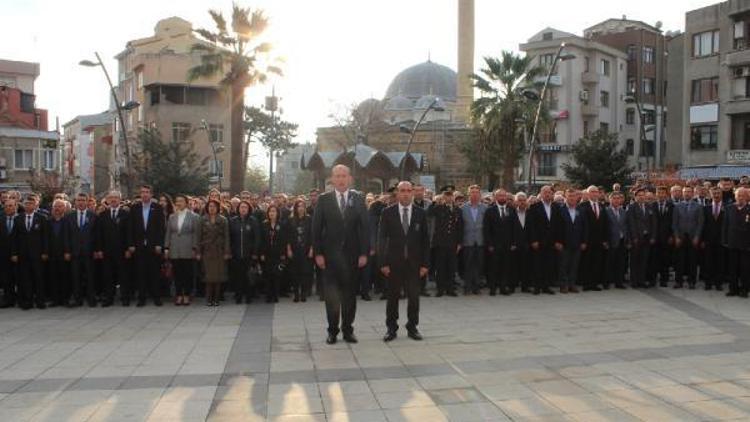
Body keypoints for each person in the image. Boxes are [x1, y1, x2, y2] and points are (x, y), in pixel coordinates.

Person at [311, 164, 369, 345]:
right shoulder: (324, 199)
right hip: (330, 258)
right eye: (337, 176)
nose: (341, 179)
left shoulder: (358, 199)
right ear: (332, 179)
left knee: (350, 296)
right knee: (332, 296)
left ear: (350, 178)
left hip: (352, 257)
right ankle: (332, 331)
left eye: (344, 176)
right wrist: (318, 253)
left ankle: (348, 330)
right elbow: (316, 228)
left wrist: (364, 253)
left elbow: (365, 228)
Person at [378, 181, 430, 342]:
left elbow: (425, 241)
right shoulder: (387, 213)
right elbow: (381, 239)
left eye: (409, 190)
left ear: (413, 193)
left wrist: (425, 264)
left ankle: (412, 327)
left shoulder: (421, 213)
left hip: (414, 264)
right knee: (392, 297)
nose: (406, 193)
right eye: (402, 191)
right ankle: (391, 328)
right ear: (397, 193)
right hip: (394, 263)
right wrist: (383, 263)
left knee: (414, 298)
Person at [129, 185, 166, 307]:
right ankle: (142, 298)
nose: (144, 194)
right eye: (142, 192)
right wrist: (131, 244)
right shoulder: (134, 208)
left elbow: (161, 228)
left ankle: (156, 297)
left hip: (153, 246)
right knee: (140, 273)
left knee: (154, 272)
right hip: (139, 246)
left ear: (151, 194)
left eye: (147, 192)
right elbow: (131, 228)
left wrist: (159, 244)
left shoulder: (157, 208)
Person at [12, 193, 49, 310]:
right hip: (23, 254)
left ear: (35, 205)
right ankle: (28, 301)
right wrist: (14, 253)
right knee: (26, 278)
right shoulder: (18, 219)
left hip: (38, 254)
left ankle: (40, 301)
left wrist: (45, 252)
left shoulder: (42, 218)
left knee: (39, 278)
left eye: (31, 203)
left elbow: (45, 237)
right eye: (26, 203)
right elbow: (14, 238)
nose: (28, 205)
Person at [95, 191, 131, 306]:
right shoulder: (102, 215)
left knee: (124, 275)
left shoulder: (125, 214)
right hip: (107, 251)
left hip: (122, 250)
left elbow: (129, 233)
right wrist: (99, 249)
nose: (113, 200)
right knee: (108, 275)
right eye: (111, 198)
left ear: (120, 200)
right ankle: (109, 298)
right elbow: (99, 234)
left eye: (116, 198)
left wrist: (128, 249)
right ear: (108, 200)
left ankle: (125, 298)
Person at [164, 194, 201, 306]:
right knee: (177, 273)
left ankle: (187, 295)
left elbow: (196, 234)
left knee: (188, 273)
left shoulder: (194, 217)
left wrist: (195, 248)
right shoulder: (172, 217)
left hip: (188, 247)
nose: (178, 203)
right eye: (177, 201)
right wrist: (166, 247)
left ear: (186, 203)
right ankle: (179, 295)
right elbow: (168, 233)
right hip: (175, 248)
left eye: (181, 201)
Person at [528, 186, 563, 295]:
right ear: (541, 194)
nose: (547, 194)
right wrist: (533, 240)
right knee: (537, 265)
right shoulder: (534, 207)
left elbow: (559, 226)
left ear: (552, 194)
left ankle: (546, 286)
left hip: (552, 242)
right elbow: (531, 226)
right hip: (538, 242)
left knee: (549, 265)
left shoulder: (556, 207)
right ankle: (537, 287)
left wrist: (558, 241)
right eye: (545, 192)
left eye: (549, 192)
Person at [429, 186, 463, 297]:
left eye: (450, 195)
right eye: (446, 195)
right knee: (440, 267)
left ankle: (450, 289)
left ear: (453, 197)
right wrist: (435, 202)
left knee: (451, 267)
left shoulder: (458, 210)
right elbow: (429, 213)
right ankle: (440, 289)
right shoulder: (438, 208)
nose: (449, 198)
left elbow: (460, 228)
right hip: (440, 243)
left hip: (452, 243)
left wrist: (459, 243)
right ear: (443, 197)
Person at [66, 193, 97, 307]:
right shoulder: (69, 216)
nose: (81, 202)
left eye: (83, 200)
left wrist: (96, 250)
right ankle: (77, 299)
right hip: (75, 252)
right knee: (76, 277)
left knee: (90, 276)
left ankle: (91, 299)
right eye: (78, 200)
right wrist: (68, 251)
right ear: (75, 202)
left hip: (89, 252)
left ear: (87, 202)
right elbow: (67, 236)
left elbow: (96, 235)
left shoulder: (93, 216)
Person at [483, 189, 516, 295]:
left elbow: (514, 228)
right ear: (496, 197)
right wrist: (489, 244)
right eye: (500, 196)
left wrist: (513, 243)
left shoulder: (511, 210)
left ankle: (503, 287)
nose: (502, 198)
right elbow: (486, 229)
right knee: (493, 267)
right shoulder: (490, 210)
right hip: (494, 245)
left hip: (507, 244)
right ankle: (492, 288)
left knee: (505, 267)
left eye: (504, 196)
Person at [198, 200, 230, 306]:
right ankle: (208, 299)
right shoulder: (202, 219)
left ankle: (216, 299)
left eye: (214, 206)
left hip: (219, 251)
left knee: (218, 276)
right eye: (210, 206)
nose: (212, 208)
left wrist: (227, 251)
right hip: (207, 250)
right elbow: (199, 236)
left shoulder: (223, 220)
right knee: (208, 276)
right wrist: (198, 251)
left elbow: (226, 237)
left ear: (218, 208)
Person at [672, 186, 704, 289]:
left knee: (692, 261)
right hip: (681, 237)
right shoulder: (677, 206)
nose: (687, 194)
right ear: (682, 193)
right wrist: (676, 236)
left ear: (693, 193)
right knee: (679, 261)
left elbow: (700, 223)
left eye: (689, 192)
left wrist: (697, 237)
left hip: (693, 237)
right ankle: (678, 281)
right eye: (685, 192)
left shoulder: (698, 206)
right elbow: (674, 223)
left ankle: (692, 282)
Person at [229, 200, 260, 304]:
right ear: (238, 209)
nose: (243, 209)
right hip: (236, 254)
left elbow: (257, 238)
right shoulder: (233, 221)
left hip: (249, 254)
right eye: (241, 207)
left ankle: (248, 296)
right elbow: (230, 238)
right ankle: (238, 296)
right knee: (238, 276)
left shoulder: (253, 221)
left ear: (249, 209)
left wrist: (255, 253)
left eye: (245, 207)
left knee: (249, 276)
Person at [578, 186, 608, 291]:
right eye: (593, 192)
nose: (595, 194)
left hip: (599, 240)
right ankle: (586, 284)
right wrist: (582, 241)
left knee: (597, 262)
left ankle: (594, 283)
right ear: (588, 193)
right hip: (587, 240)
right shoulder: (582, 206)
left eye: (597, 192)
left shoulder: (602, 206)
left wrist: (605, 240)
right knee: (587, 262)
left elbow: (605, 224)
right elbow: (580, 225)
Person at [722, 187, 750, 298]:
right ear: (735, 196)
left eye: (742, 195)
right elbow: (725, 225)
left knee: (745, 268)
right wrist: (724, 240)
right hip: (732, 243)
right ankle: (733, 289)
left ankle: (744, 289)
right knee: (732, 268)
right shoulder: (729, 208)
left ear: (747, 197)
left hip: (746, 244)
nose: (740, 198)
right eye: (738, 195)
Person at [626, 188, 657, 288]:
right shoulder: (631, 207)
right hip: (636, 237)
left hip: (647, 237)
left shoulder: (649, 206)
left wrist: (653, 236)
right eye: (639, 195)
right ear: (635, 197)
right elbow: (630, 223)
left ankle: (641, 280)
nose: (641, 197)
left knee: (644, 260)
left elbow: (653, 223)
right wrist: (634, 236)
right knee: (634, 260)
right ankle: (634, 281)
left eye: (643, 195)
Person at [558, 189, 587, 294]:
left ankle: (572, 284)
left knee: (574, 265)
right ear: (565, 197)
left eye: (574, 196)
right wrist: (558, 241)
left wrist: (584, 241)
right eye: (569, 196)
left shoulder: (581, 210)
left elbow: (584, 227)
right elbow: (556, 228)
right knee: (563, 265)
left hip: (577, 243)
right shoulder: (560, 210)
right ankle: (563, 285)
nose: (572, 198)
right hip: (564, 243)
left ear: (577, 197)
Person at [460, 185, 487, 295]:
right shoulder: (463, 208)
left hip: (480, 241)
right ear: (469, 194)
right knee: (467, 264)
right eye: (472, 192)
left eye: (476, 192)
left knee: (478, 264)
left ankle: (476, 287)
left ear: (480, 194)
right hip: (467, 241)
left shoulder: (485, 208)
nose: (474, 194)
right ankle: (467, 287)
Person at [287, 199, 314, 302]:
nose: (301, 208)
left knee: (305, 272)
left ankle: (303, 293)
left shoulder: (309, 219)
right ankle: (296, 294)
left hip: (306, 249)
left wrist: (312, 249)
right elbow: (288, 236)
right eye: (298, 206)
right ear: (295, 208)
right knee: (295, 272)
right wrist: (289, 249)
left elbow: (312, 235)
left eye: (302, 206)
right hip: (294, 249)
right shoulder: (291, 219)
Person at [260, 205, 286, 303]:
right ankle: (268, 295)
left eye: (274, 211)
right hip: (267, 253)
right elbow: (261, 240)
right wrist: (261, 253)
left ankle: (275, 295)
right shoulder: (264, 224)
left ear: (277, 213)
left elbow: (284, 240)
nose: (272, 213)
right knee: (267, 275)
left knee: (276, 274)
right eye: (270, 211)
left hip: (278, 253)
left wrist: (283, 253)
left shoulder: (281, 224)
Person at [47, 199, 71, 307]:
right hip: (51, 254)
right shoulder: (47, 221)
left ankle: (65, 299)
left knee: (65, 277)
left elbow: (71, 238)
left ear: (65, 209)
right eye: (55, 206)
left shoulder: (69, 221)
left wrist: (68, 251)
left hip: (64, 254)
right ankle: (55, 300)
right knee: (53, 277)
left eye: (60, 206)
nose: (57, 209)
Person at [702, 187, 726, 291]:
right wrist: (702, 239)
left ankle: (718, 283)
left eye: (718, 193)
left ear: (721, 194)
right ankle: (708, 283)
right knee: (708, 262)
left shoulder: (727, 208)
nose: (716, 195)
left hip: (722, 240)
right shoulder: (705, 208)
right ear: (710, 195)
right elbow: (703, 225)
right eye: (714, 193)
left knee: (720, 262)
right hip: (708, 240)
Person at [651, 186, 675, 287]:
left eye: (663, 193)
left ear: (666, 194)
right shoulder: (652, 205)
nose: (661, 195)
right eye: (659, 192)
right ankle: (653, 279)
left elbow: (674, 222)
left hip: (666, 237)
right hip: (654, 237)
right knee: (654, 259)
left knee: (665, 259)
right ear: (656, 194)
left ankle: (664, 280)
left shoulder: (671, 206)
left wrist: (671, 235)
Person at [605, 191, 628, 289]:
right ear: (609, 200)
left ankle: (619, 282)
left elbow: (626, 226)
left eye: (618, 198)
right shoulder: (606, 211)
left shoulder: (623, 211)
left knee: (620, 262)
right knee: (609, 263)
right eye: (614, 198)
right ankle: (607, 282)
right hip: (611, 240)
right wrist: (605, 241)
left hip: (622, 240)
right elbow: (604, 227)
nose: (617, 200)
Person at [511, 192, 533, 293]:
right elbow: (508, 230)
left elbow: (534, 229)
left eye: (524, 200)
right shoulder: (511, 213)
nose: (522, 202)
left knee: (526, 266)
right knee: (513, 266)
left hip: (527, 245)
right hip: (514, 245)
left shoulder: (531, 214)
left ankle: (525, 286)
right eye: (520, 200)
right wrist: (512, 243)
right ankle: (512, 285)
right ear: (516, 202)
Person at [0, 199, 18, 308]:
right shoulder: (1, 220)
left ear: (16, 207)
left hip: (19, 255)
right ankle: (8, 299)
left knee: (21, 277)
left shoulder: (21, 219)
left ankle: (22, 298)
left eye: (11, 206)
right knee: (6, 278)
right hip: (4, 254)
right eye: (6, 206)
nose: (8, 208)